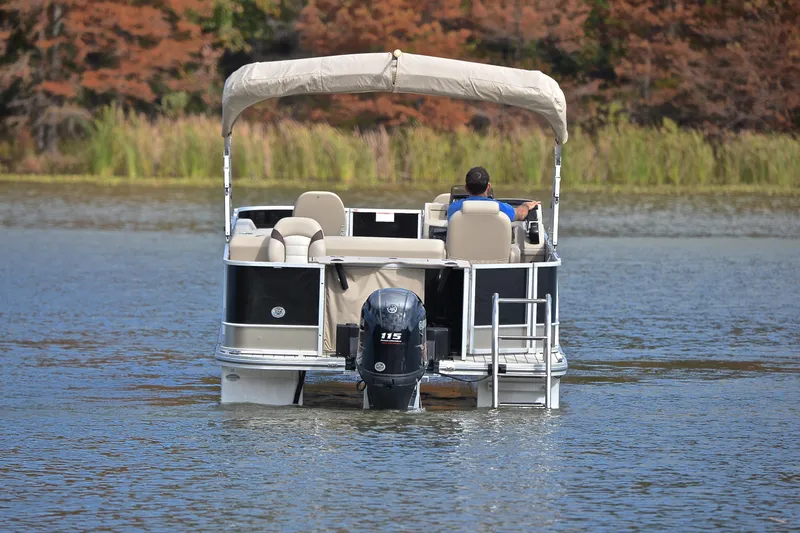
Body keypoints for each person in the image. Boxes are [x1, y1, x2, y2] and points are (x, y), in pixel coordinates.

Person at [447, 166, 540, 222]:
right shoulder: (499, 207)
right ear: (488, 187)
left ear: (466, 188)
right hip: (495, 255)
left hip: (461, 255)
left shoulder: (454, 209)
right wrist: (526, 205)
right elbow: (520, 214)